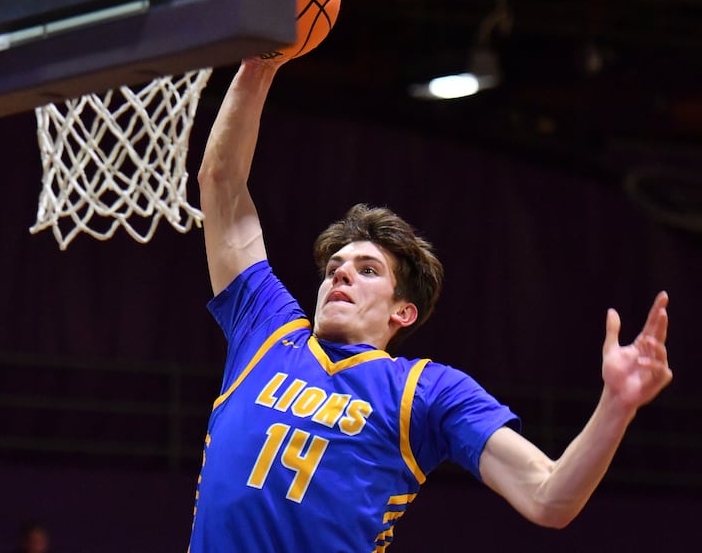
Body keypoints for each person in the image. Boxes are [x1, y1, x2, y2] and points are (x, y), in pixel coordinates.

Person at [188, 56, 672, 552]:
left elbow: (549, 498)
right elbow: (221, 181)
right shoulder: (268, 332)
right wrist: (261, 63)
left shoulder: (424, 392)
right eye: (335, 267)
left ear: (404, 311)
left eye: (368, 269)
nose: (342, 273)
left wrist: (617, 405)